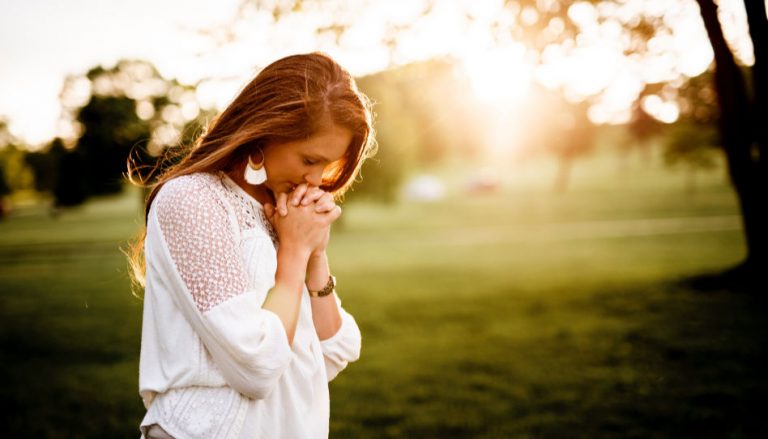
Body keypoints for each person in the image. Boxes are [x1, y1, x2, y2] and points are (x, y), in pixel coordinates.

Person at [126, 52, 376, 439]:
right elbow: (257, 365)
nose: (316, 181)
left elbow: (334, 350)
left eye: (326, 167)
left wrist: (315, 254)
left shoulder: (282, 210)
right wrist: (292, 256)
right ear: (266, 131)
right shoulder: (192, 201)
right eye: (309, 159)